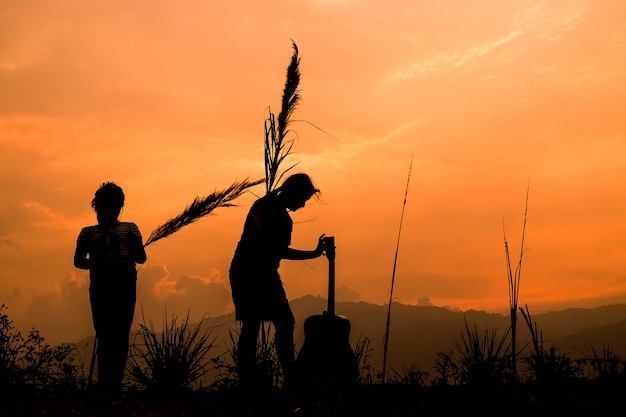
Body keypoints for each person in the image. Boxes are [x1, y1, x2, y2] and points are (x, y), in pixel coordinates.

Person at [229, 173, 326, 391]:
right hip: (250, 273)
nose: (301, 206)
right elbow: (277, 250)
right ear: (293, 192)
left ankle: (272, 377)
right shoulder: (272, 212)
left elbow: (274, 249)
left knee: (271, 323)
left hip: (259, 272)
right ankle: (267, 378)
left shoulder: (265, 206)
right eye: (302, 200)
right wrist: (312, 254)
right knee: (259, 324)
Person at [74, 182, 147, 393]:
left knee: (108, 335)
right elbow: (141, 257)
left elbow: (79, 261)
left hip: (106, 287)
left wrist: (99, 263)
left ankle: (108, 383)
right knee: (115, 335)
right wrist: (122, 259)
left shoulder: (88, 233)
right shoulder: (130, 228)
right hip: (117, 287)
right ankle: (112, 383)